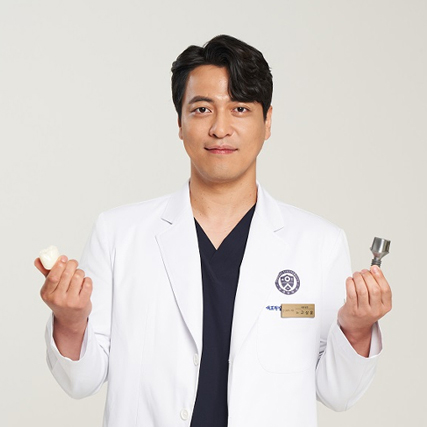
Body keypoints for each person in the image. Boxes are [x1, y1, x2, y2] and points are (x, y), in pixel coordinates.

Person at [35, 35, 392, 427]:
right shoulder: (119, 234)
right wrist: (71, 321)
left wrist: (356, 330)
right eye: (202, 109)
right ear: (180, 122)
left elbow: (338, 393)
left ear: (267, 122)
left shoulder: (319, 244)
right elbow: (80, 381)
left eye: (240, 108)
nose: (221, 128)